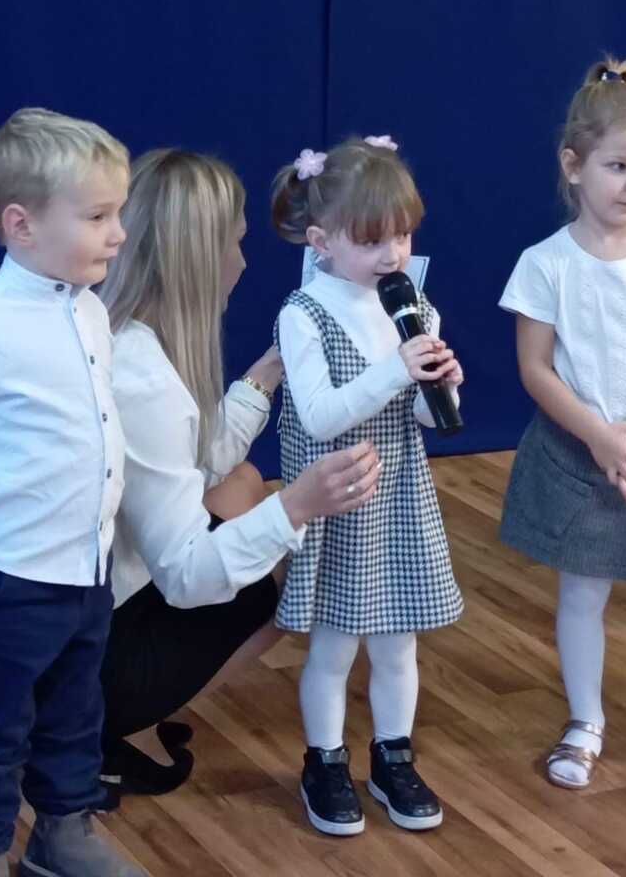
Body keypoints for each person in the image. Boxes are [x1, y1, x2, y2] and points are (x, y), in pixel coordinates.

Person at [0, 108, 144, 877]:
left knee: (74, 712)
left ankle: (61, 833)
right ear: (22, 224)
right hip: (5, 576)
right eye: (98, 217)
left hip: (84, 569)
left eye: (119, 214)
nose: (118, 234)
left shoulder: (91, 309)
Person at [97, 148, 380, 796]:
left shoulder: (118, 333)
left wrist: (273, 365)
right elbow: (189, 577)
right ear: (198, 256)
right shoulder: (147, 382)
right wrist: (298, 506)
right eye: (235, 242)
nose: (244, 262)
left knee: (244, 481)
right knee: (296, 577)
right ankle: (103, 729)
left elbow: (198, 462)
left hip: (66, 619)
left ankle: (114, 715)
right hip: (89, 653)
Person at [271, 135, 463, 837]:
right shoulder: (304, 313)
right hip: (337, 497)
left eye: (403, 236)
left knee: (397, 643)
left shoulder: (414, 306)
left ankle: (392, 756)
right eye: (372, 239)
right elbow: (321, 417)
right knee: (334, 647)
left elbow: (417, 414)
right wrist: (394, 370)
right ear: (321, 241)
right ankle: (325, 760)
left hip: (397, 495)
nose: (393, 255)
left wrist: (439, 385)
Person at [499, 58, 626, 790]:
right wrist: (601, 436)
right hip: (581, 458)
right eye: (619, 166)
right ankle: (586, 721)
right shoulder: (544, 264)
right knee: (583, 593)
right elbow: (535, 369)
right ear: (573, 165)